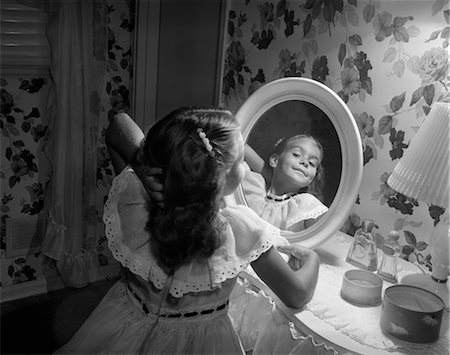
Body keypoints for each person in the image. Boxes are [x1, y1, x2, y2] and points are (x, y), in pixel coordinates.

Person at [55, 108, 320, 355]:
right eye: (241, 161)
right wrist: (312, 259)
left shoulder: (137, 200)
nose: (247, 168)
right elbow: (297, 294)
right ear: (222, 178)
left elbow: (118, 123)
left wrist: (142, 164)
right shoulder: (238, 231)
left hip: (122, 331)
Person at [242, 134, 328, 232]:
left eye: (312, 163)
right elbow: (238, 143)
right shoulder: (253, 185)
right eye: (296, 154)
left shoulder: (305, 205)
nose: (305, 162)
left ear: (312, 179)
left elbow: (325, 234)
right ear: (275, 160)